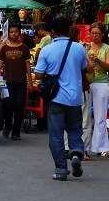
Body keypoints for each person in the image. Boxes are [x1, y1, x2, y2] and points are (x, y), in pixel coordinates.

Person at [34, 16, 88, 181]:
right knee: (75, 130)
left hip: (56, 98)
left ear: (52, 32)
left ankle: (61, 169)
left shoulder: (47, 50)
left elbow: (38, 74)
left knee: (56, 134)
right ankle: (77, 153)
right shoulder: (79, 48)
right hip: (75, 98)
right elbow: (85, 68)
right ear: (69, 29)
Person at [0, 24, 31, 140]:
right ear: (8, 34)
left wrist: (30, 81)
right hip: (7, 82)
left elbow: (27, 65)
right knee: (8, 105)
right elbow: (0, 64)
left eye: (15, 32)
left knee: (19, 106)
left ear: (19, 33)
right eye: (11, 32)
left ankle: (16, 132)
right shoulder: (4, 48)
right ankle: (8, 125)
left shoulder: (24, 48)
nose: (13, 34)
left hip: (21, 82)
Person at [86, 22, 109, 158]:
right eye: (93, 33)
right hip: (87, 83)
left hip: (101, 83)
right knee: (85, 116)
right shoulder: (85, 47)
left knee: (100, 116)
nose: (95, 36)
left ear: (102, 35)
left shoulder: (108, 48)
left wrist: (97, 60)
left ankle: (100, 146)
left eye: (98, 33)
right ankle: (85, 145)